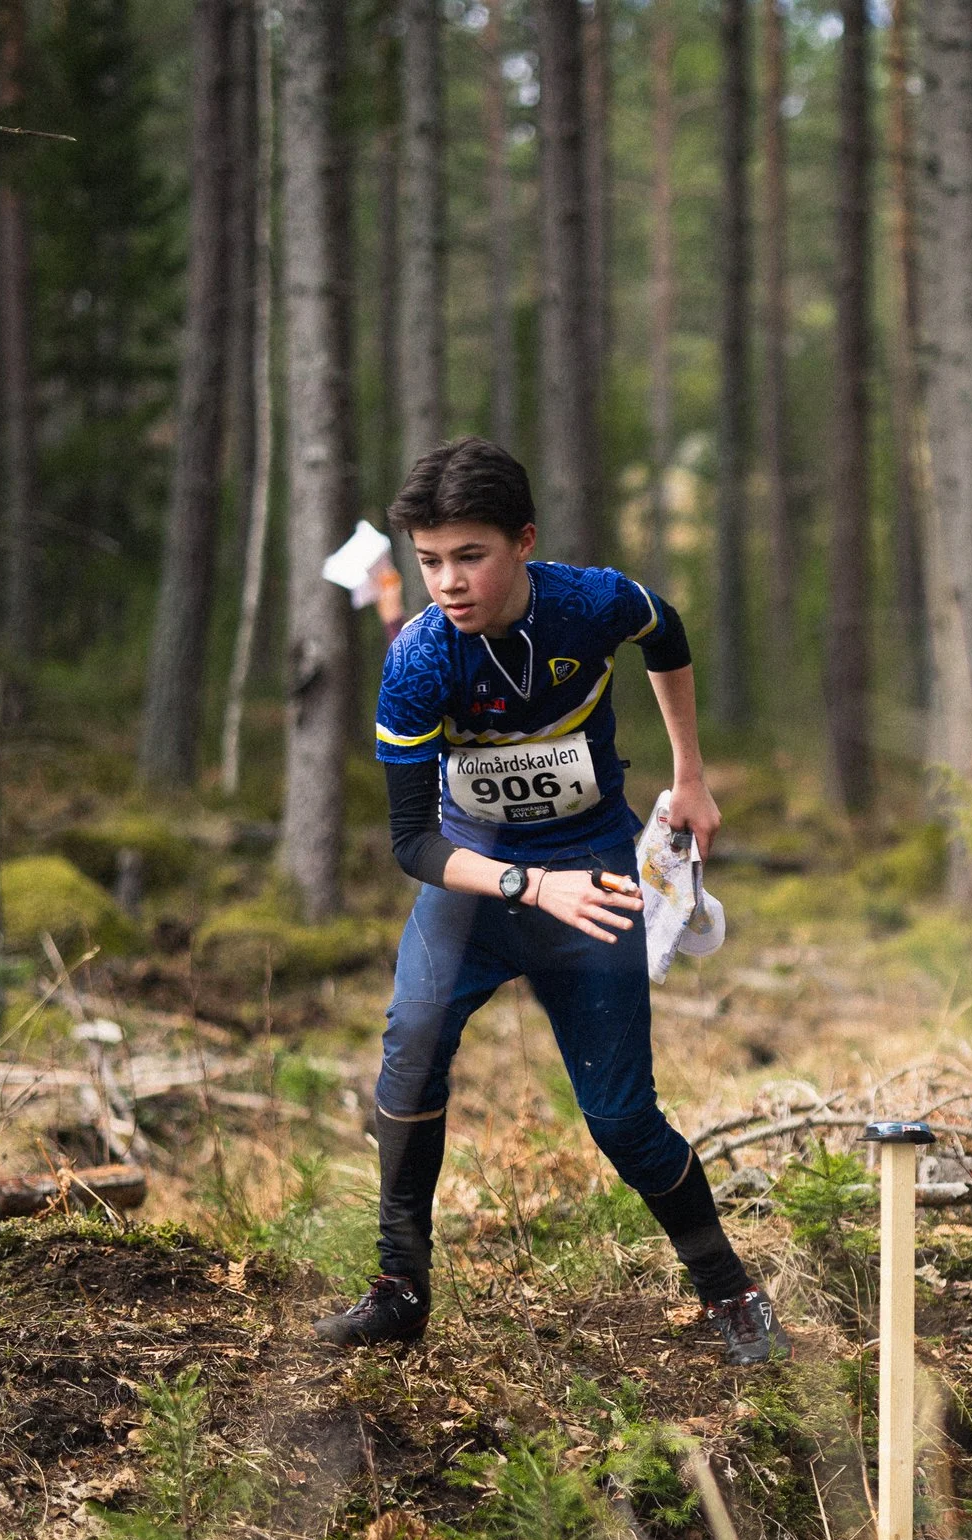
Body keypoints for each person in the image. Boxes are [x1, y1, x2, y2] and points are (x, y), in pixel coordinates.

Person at [314, 437, 788, 1365]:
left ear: (523, 540)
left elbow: (669, 630)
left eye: (471, 556)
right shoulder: (417, 661)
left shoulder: (590, 601)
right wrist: (529, 884)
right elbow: (411, 841)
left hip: (594, 866)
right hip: (477, 879)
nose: (448, 582)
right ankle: (399, 1287)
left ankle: (730, 1292)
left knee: (620, 1117)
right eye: (430, 562)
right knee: (409, 1055)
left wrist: (691, 776)